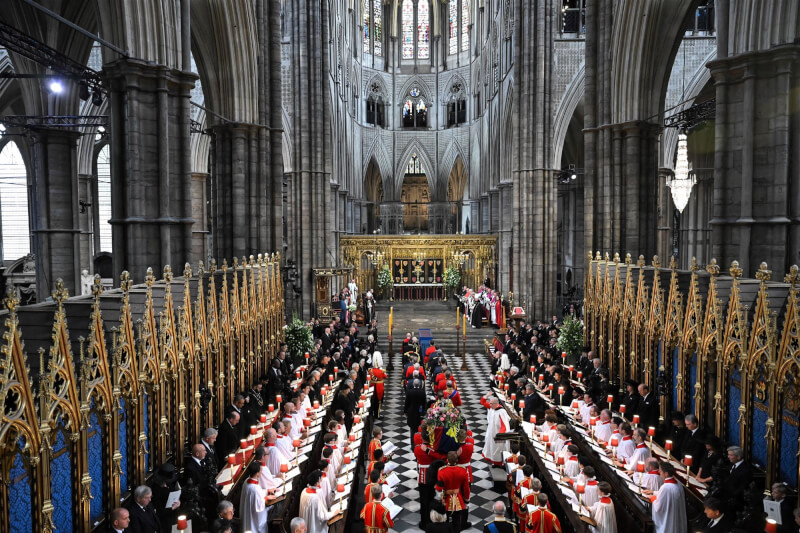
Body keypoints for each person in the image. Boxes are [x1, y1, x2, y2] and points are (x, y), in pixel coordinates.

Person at [436, 451, 471, 532]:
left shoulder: (441, 471)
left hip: (446, 499)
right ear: (457, 460)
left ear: (447, 460)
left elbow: (439, 488)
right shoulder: (462, 470)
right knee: (457, 522)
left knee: (445, 521)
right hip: (458, 499)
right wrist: (466, 500)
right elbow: (466, 488)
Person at [651, 462, 687, 533]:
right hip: (676, 515)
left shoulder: (665, 487)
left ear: (666, 473)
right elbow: (669, 494)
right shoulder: (678, 483)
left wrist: (652, 498)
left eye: (660, 471)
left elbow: (658, 507)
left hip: (669, 518)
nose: (659, 472)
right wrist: (653, 492)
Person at [480, 394, 511, 465]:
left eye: (491, 403)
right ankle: (493, 461)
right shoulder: (492, 408)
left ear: (496, 404)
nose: (489, 405)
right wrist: (487, 395)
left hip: (498, 434)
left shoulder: (502, 412)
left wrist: (499, 435)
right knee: (491, 448)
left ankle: (500, 463)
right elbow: (483, 402)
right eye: (490, 403)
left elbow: (504, 426)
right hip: (491, 432)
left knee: (498, 450)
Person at [240, 462, 269, 533]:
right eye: (261, 470)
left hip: (248, 512)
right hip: (254, 518)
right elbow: (259, 508)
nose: (262, 472)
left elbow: (256, 495)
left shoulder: (246, 481)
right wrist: (266, 498)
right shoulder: (254, 489)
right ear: (257, 473)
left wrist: (267, 491)